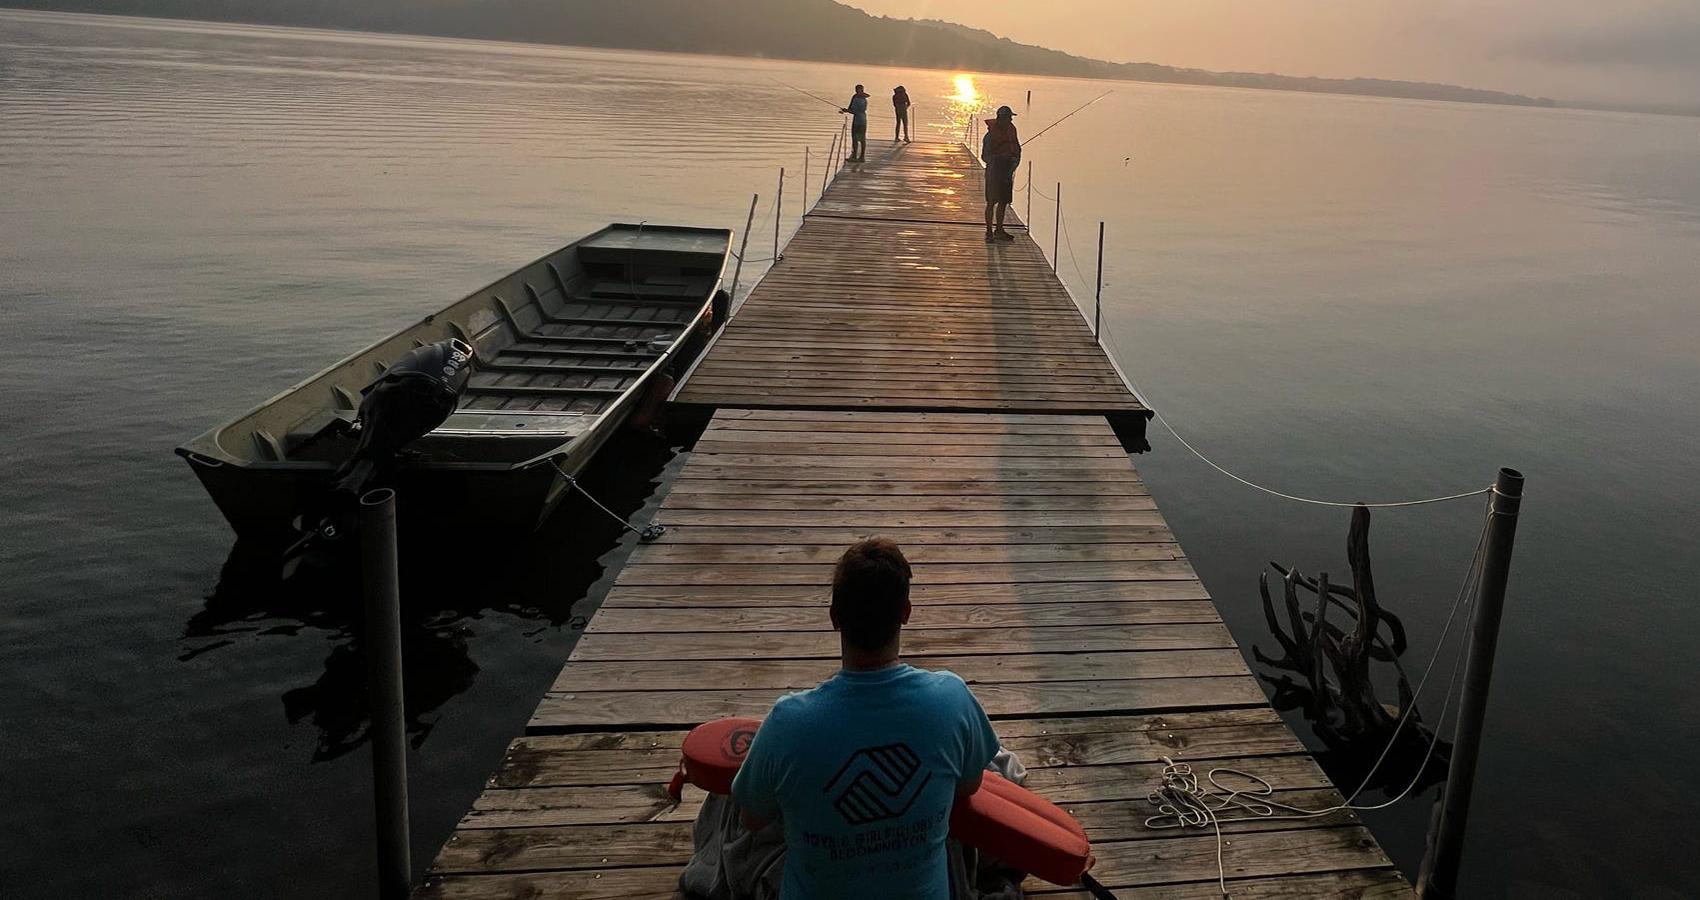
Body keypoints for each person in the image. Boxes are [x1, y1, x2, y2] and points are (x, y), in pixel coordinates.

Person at [731, 538, 1000, 900]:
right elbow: (968, 786)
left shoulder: (787, 722)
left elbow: (752, 819)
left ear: (834, 617)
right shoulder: (950, 699)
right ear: (905, 612)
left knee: (732, 803)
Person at [981, 105, 1021, 242]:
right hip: (994, 172)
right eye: (1009, 117)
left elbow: (1017, 148)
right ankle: (988, 232)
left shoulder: (1012, 132)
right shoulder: (989, 136)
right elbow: (985, 157)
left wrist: (1015, 160)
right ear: (1001, 118)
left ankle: (999, 229)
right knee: (991, 202)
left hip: (1007, 172)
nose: (1011, 120)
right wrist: (1000, 158)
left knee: (1004, 202)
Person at [841, 84, 870, 162]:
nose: (856, 91)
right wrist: (847, 110)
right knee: (860, 138)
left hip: (858, 121)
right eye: (856, 89)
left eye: (857, 89)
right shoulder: (863, 99)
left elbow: (856, 111)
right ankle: (860, 156)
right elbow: (855, 110)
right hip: (862, 120)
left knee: (857, 138)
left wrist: (846, 111)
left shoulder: (858, 99)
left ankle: (857, 157)